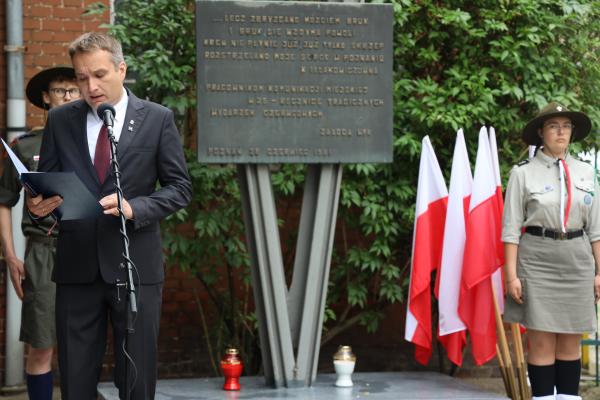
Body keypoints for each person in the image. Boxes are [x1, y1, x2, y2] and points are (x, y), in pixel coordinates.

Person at [26, 32, 192, 400]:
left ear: (121, 68)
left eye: (99, 75)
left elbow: (180, 187)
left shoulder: (157, 119)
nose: (91, 86)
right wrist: (37, 207)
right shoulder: (61, 120)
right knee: (75, 378)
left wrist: (136, 208)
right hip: (76, 269)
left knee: (137, 379)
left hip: (136, 269)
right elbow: (49, 189)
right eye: (81, 78)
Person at [502, 102, 600, 400]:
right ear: (541, 133)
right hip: (538, 261)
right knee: (541, 342)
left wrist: (599, 272)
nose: (561, 131)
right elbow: (510, 229)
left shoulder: (586, 171)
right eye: (554, 126)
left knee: (570, 343)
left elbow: (596, 228)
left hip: (577, 260)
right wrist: (511, 276)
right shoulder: (523, 173)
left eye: (566, 126)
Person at [0, 66, 80, 399]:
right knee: (42, 346)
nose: (69, 96)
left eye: (74, 90)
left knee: (81, 348)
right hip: (43, 253)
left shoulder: (96, 143)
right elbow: (4, 200)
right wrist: (10, 255)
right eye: (61, 90)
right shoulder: (25, 145)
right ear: (46, 98)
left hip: (85, 249)